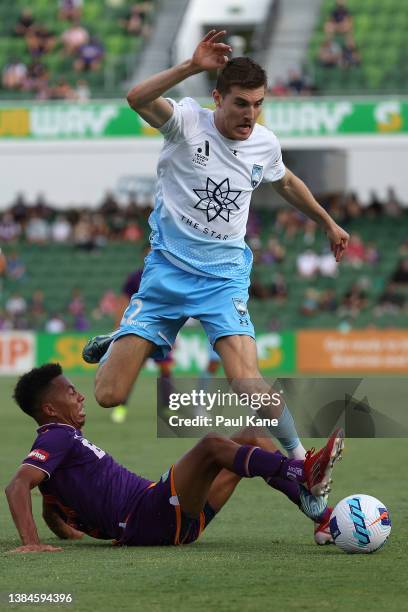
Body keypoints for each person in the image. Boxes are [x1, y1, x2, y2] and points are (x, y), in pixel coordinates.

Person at [83, 31, 349, 467]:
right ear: (218, 98)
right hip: (167, 271)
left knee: (245, 380)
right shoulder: (186, 122)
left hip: (224, 275)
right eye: (241, 103)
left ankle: (304, 462)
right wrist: (190, 66)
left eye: (258, 103)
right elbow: (136, 98)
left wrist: (327, 221)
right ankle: (121, 337)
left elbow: (285, 182)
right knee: (109, 395)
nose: (251, 114)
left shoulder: (264, 143)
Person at [5, 364, 344, 552]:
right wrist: (32, 544)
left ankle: (322, 517)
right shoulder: (58, 435)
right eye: (70, 392)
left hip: (163, 517)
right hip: (148, 515)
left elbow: (49, 506)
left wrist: (71, 533)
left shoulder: (58, 451)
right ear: (49, 409)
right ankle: (300, 470)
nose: (80, 396)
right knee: (211, 445)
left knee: (251, 433)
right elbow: (18, 485)